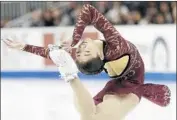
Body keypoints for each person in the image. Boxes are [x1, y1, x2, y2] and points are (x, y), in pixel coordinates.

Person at [2, 4, 171, 120]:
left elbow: (89, 10)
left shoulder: (117, 46)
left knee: (91, 117)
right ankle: (72, 77)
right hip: (120, 83)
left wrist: (73, 38)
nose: (81, 48)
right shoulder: (107, 50)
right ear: (99, 57)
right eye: (84, 52)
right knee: (90, 116)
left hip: (133, 85)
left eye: (82, 51)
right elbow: (53, 54)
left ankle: (71, 77)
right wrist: (24, 46)